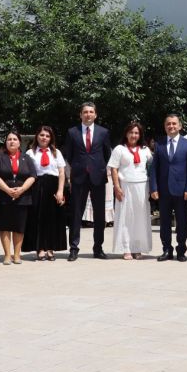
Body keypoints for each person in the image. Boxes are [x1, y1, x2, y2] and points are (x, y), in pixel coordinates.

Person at [64, 102, 113, 261]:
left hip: (98, 177)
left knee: (99, 214)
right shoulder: (72, 132)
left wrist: (98, 167)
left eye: (91, 112)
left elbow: (107, 154)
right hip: (79, 177)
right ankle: (73, 248)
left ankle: (98, 248)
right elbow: (68, 155)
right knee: (76, 213)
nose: (88, 114)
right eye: (85, 112)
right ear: (80, 115)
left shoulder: (103, 132)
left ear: (95, 115)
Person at [150, 114, 187, 262]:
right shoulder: (159, 144)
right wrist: (153, 188)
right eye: (168, 124)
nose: (171, 126)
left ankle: (181, 250)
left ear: (180, 126)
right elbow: (154, 168)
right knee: (164, 222)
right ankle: (166, 250)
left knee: (182, 222)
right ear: (165, 127)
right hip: (163, 191)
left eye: (174, 123)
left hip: (182, 191)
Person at [108, 122, 154, 259]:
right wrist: (116, 187)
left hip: (142, 186)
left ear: (140, 135)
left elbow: (152, 167)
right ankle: (126, 248)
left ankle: (137, 247)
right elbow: (114, 168)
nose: (134, 135)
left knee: (140, 217)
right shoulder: (119, 149)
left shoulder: (145, 150)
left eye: (136, 133)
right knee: (125, 217)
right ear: (126, 134)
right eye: (131, 132)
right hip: (125, 186)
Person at [23, 125, 67, 260]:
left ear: (51, 138)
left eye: (47, 136)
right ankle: (40, 248)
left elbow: (61, 172)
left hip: (53, 186)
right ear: (37, 136)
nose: (44, 138)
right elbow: (27, 172)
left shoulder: (56, 152)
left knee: (53, 218)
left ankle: (51, 248)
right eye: (42, 135)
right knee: (37, 218)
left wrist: (60, 191)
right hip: (36, 185)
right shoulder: (30, 153)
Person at [0, 131, 36, 265]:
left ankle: (17, 255)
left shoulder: (26, 158)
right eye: (9, 139)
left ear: (19, 142)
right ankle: (7, 255)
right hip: (3, 196)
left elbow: (32, 176)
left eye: (14, 139)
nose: (12, 141)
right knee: (5, 226)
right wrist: (7, 190)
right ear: (6, 142)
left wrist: (22, 189)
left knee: (19, 226)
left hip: (23, 197)